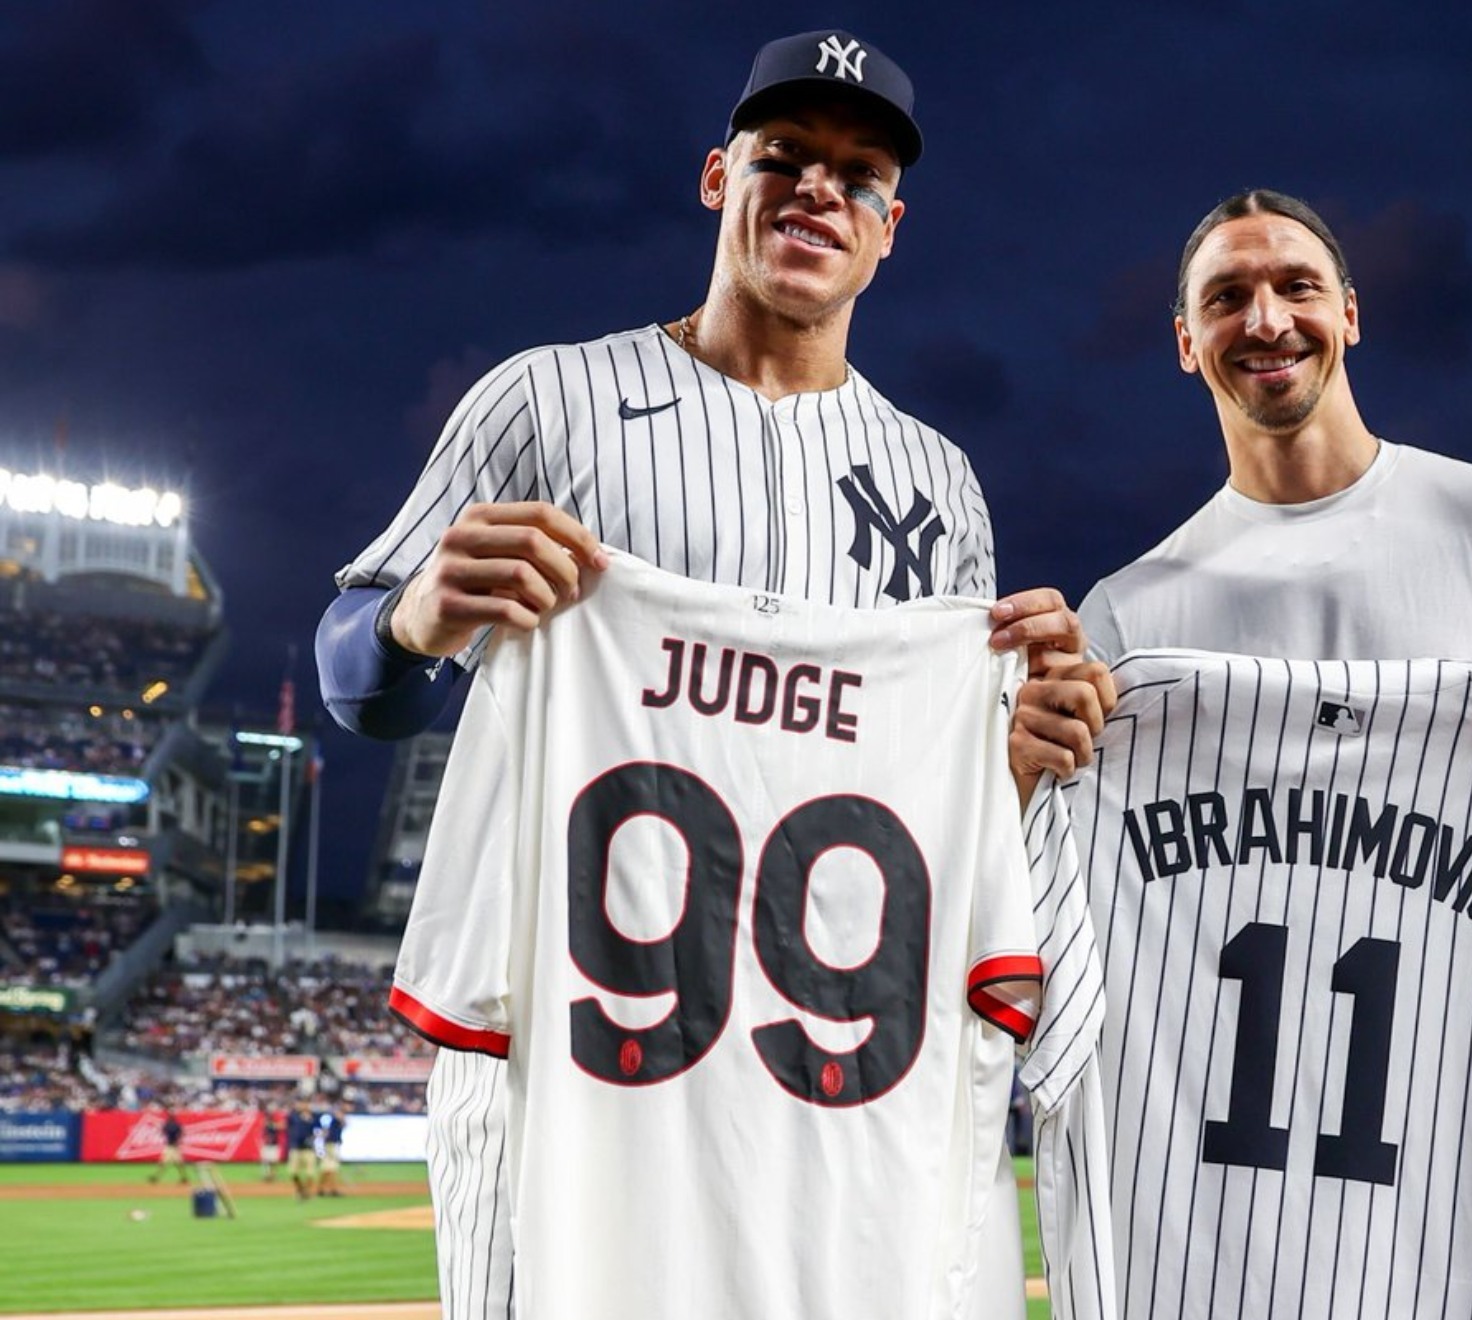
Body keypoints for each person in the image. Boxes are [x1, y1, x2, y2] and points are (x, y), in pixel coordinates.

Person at [315, 28, 1109, 1320]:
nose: (816, 188)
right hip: (573, 1089)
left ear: (889, 228)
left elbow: (941, 818)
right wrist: (411, 617)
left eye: (855, 176)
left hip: (822, 1107)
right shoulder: (546, 404)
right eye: (783, 155)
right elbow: (355, 680)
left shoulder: (937, 483)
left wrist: (1014, 761)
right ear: (715, 178)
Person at [1076, 189, 1472, 1320]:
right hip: (1257, 1202)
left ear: (1351, 315)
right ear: (1187, 342)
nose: (1266, 318)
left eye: (1296, 286)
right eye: (1226, 298)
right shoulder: (1129, 619)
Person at [285, 1101, 319, 1201]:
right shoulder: (293, 1116)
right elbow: (289, 1127)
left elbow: (318, 1130)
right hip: (296, 1147)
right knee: (293, 1172)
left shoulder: (314, 1117)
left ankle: (306, 1192)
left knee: (310, 1173)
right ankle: (300, 1190)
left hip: (308, 1148)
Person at [147, 1107, 188, 1185]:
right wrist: (179, 1139)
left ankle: (183, 1178)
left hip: (172, 1147)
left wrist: (178, 1138)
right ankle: (156, 1177)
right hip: (172, 1146)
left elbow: (162, 1132)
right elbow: (182, 1133)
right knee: (173, 1163)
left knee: (173, 1163)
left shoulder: (169, 1124)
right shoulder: (175, 1125)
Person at [259, 1106, 282, 1182]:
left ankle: (272, 1175)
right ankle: (267, 1175)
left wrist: (272, 1125)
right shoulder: (265, 1126)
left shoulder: (273, 1125)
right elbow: (262, 1135)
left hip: (273, 1144)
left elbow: (281, 1127)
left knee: (273, 1161)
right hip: (267, 1145)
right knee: (266, 1161)